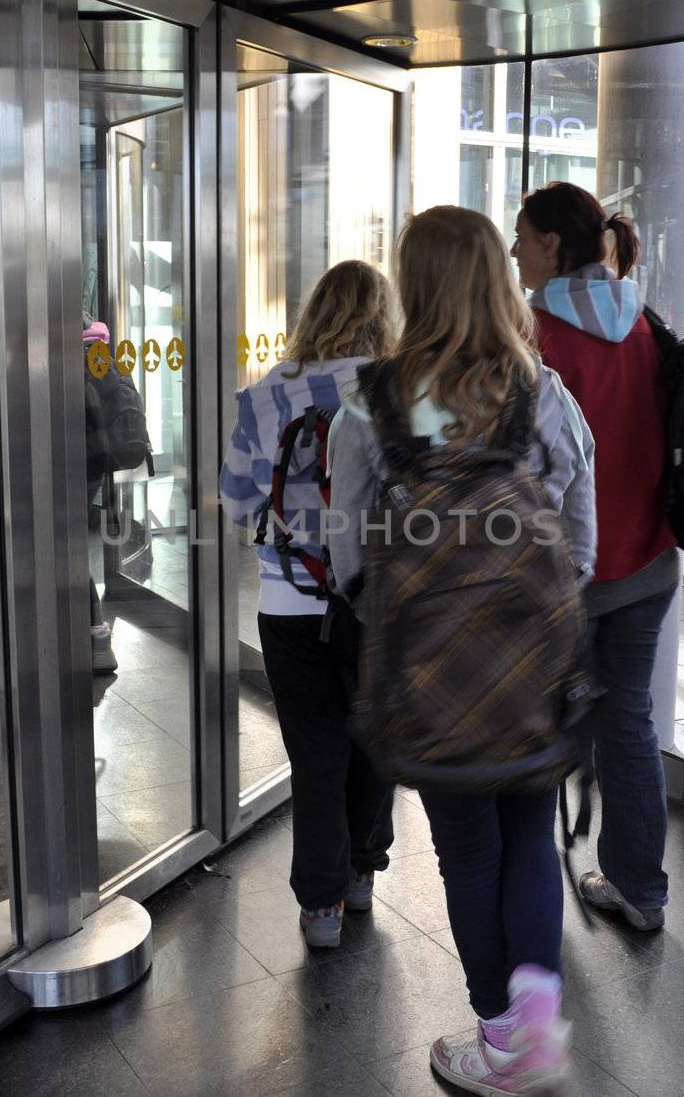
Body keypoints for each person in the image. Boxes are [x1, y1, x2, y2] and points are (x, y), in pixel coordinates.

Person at [327, 207, 595, 1095]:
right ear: (491, 277)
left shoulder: (372, 402)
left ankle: (500, 1042)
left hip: (432, 674)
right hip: (530, 667)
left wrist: (402, 609)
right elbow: (580, 532)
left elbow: (347, 551)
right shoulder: (539, 391)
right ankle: (534, 1031)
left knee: (468, 852)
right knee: (529, 839)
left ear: (415, 281)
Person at [512, 181, 679, 932]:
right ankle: (642, 890)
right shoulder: (639, 319)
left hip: (568, 573)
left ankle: (536, 893)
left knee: (544, 729)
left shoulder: (537, 333)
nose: (514, 248)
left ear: (551, 243)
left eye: (522, 235)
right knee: (630, 722)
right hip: (648, 558)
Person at [219, 260, 399, 950]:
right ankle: (361, 871)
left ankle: (319, 906)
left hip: (288, 601)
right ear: (382, 316)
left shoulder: (263, 393)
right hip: (377, 601)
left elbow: (237, 501)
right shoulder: (404, 393)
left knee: (315, 751)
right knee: (375, 739)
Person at [82, 316, 151, 674]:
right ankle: (94, 639)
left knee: (65, 551)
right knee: (69, 549)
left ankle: (96, 640)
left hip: (73, 461)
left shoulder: (62, 341)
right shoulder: (98, 345)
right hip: (94, 462)